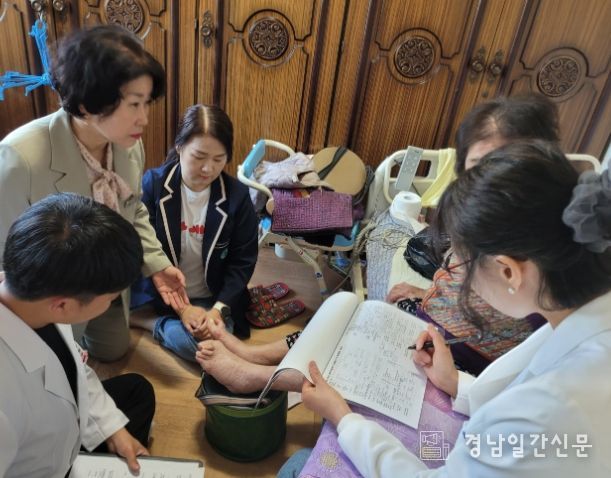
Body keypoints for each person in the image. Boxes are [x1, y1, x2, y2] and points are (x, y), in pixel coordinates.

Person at [195, 93, 560, 390]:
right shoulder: (473, 221)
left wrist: (454, 378)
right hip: (435, 327)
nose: (485, 181)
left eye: (503, 166)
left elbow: (508, 356)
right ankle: (259, 356)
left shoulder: (537, 261)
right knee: (345, 305)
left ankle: (262, 378)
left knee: (354, 342)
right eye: (476, 165)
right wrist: (425, 294)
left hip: (458, 358)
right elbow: (461, 286)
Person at [296, 142, 611, 476]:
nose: (452, 270)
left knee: (297, 465)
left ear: (509, 272)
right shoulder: (582, 320)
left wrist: (345, 419)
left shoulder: (551, 407)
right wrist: (455, 383)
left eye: (460, 262)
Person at [0, 25, 187, 362]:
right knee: (60, 365)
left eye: (146, 103)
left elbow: (133, 209)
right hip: (54, 297)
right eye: (134, 104)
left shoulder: (128, 145)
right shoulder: (19, 159)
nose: (144, 119)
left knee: (113, 351)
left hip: (105, 281)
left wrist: (157, 265)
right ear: (87, 104)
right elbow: (8, 261)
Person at [0, 193, 157, 478]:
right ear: (63, 305)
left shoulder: (36, 294)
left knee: (138, 390)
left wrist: (113, 430)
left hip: (62, 435)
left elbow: (73, 367)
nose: (112, 302)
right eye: (111, 298)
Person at [130, 104, 258, 361]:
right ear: (179, 147)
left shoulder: (237, 196)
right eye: (199, 156)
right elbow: (144, 248)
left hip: (213, 298)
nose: (208, 169)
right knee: (204, 350)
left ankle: (146, 321)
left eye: (219, 159)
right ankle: (152, 321)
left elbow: (242, 262)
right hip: (164, 295)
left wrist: (217, 311)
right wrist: (183, 310)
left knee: (216, 347)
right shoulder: (153, 185)